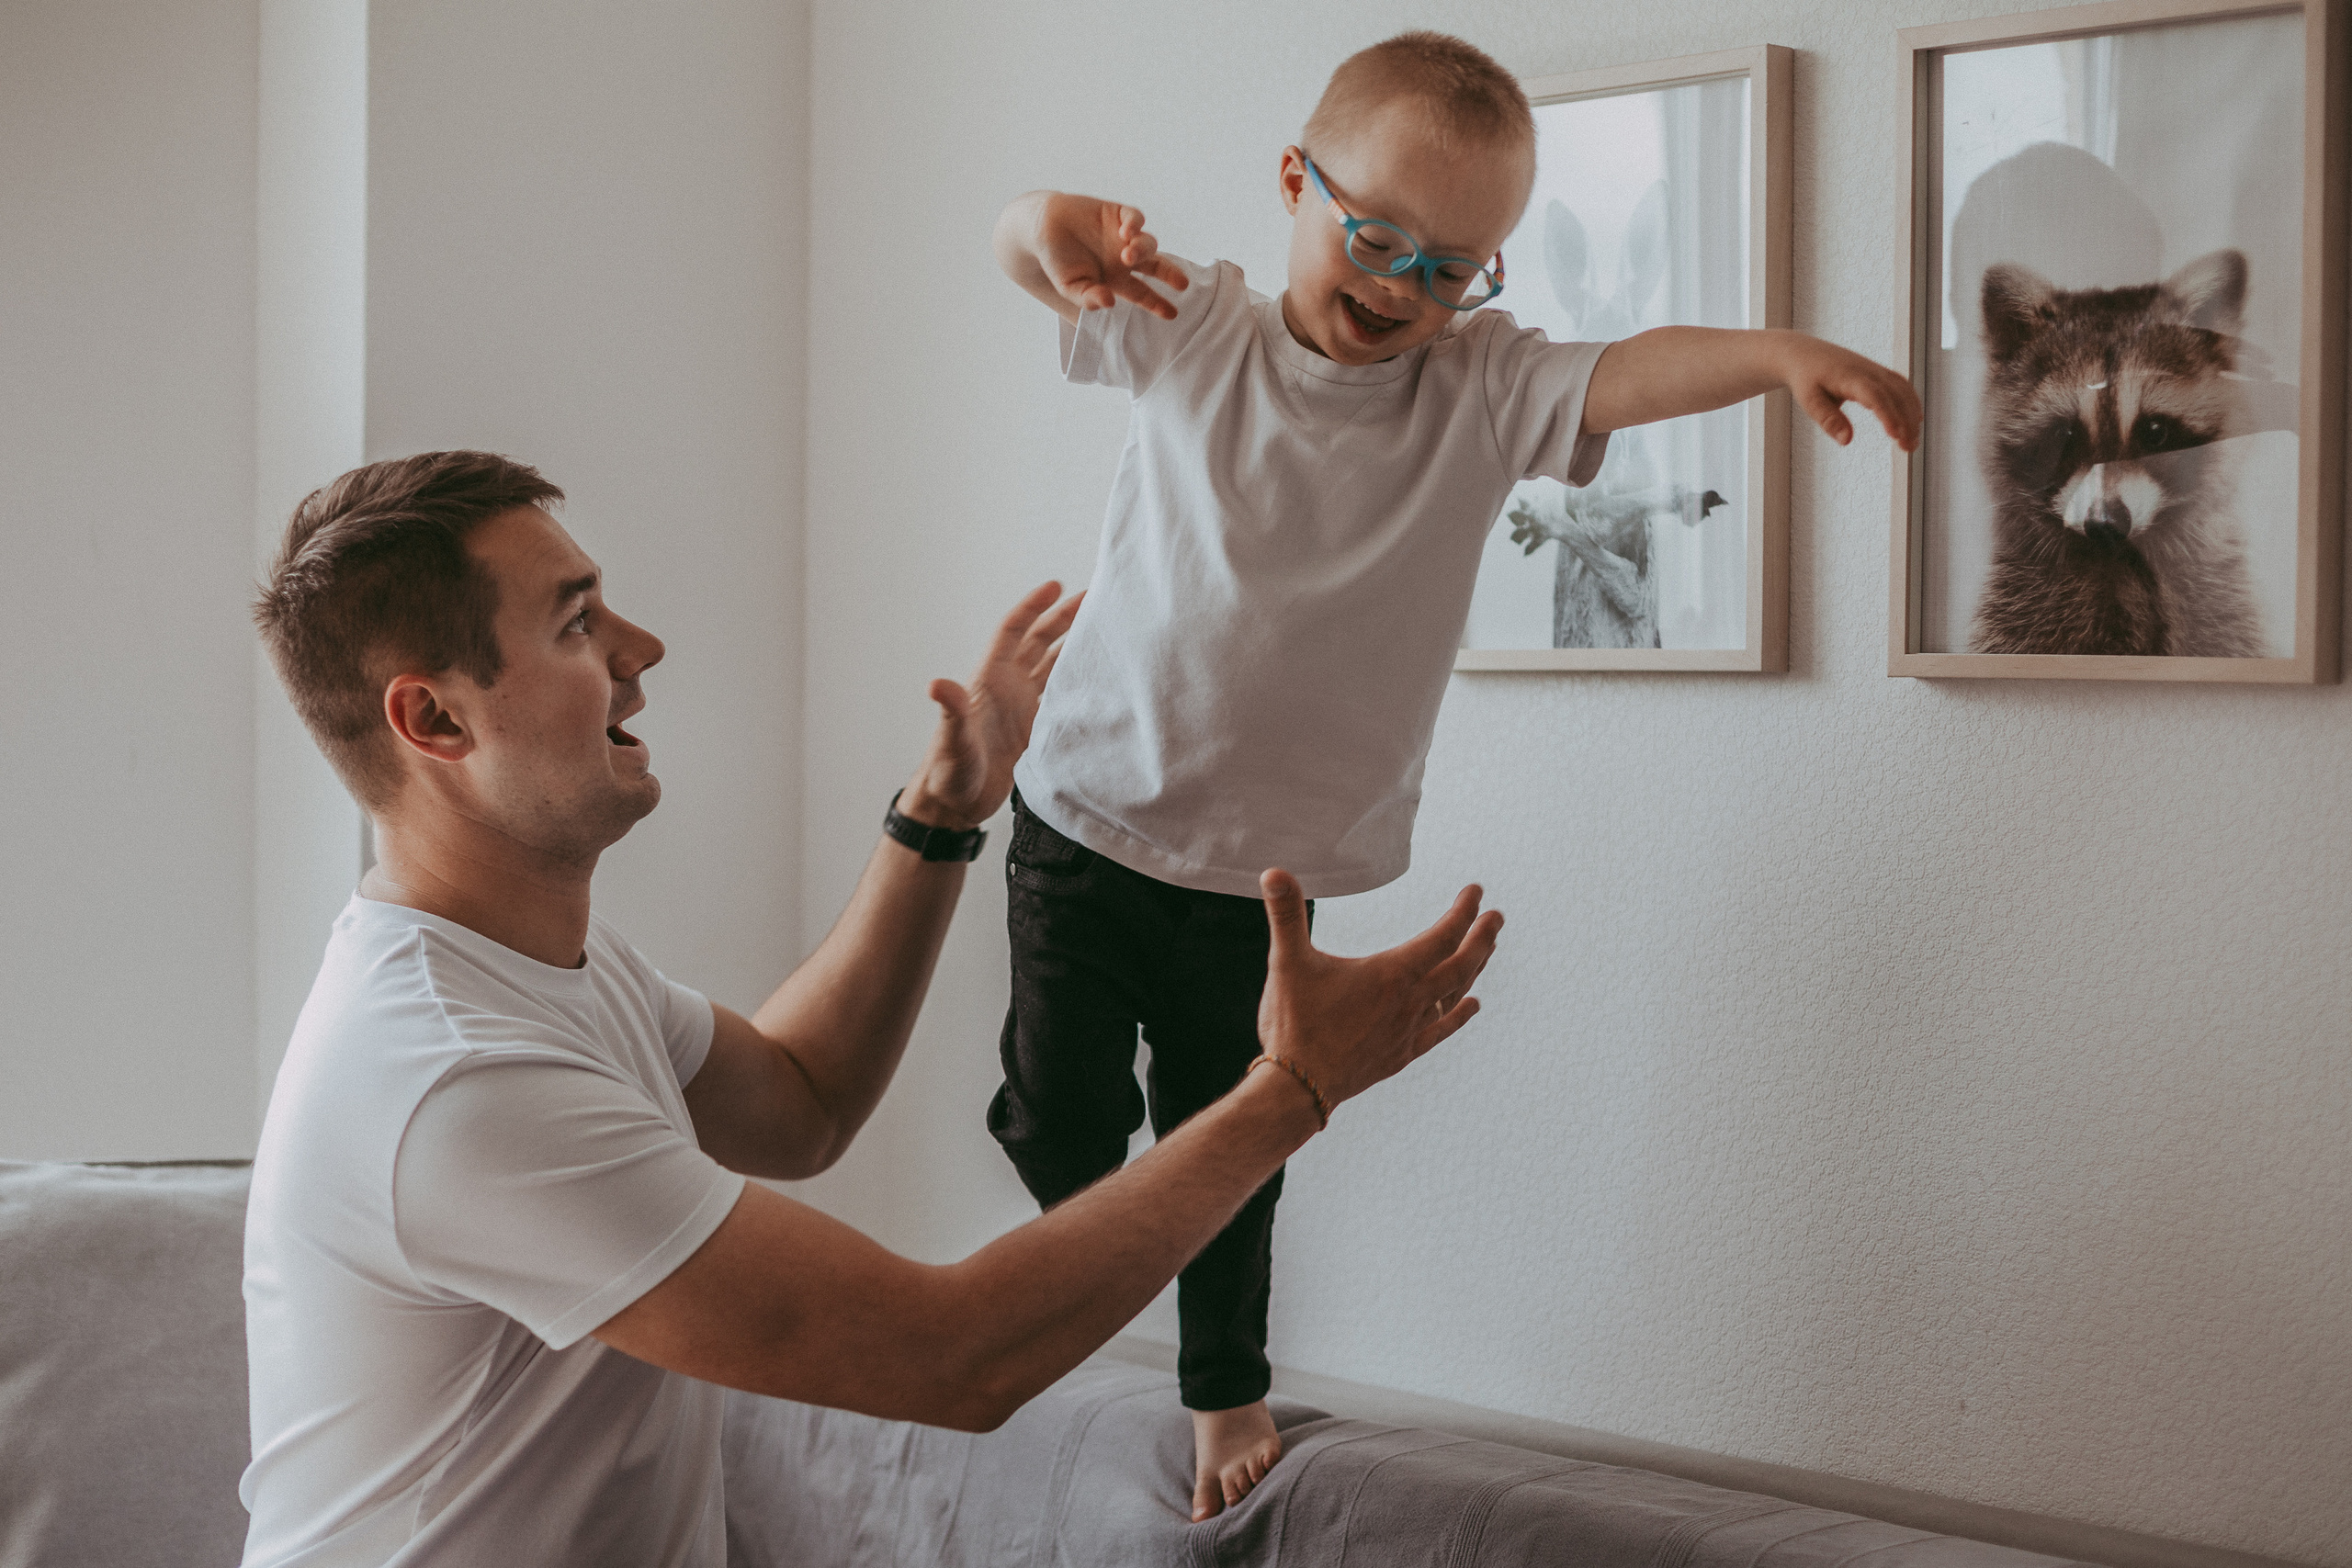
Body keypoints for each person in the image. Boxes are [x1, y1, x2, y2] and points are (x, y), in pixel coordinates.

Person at [238, 450, 1503, 1567]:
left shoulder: (537, 977)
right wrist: (1289, 1093)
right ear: (435, 718)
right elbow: (950, 1357)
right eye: (577, 626)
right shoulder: (458, 1081)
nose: (642, 651)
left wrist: (943, 813)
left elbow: (798, 1100)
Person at [989, 29, 1922, 1519]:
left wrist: (1778, 356)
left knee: (1235, 1143)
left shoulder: (1476, 391)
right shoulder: (1198, 326)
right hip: (1089, 817)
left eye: (1454, 269)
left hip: (1265, 879)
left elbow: (1625, 373)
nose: (1406, 291)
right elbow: (1022, 243)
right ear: (1294, 183)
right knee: (1062, 1136)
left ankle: (1223, 1382)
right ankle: (1045, 1271)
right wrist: (1059, 227)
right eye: (1378, 242)